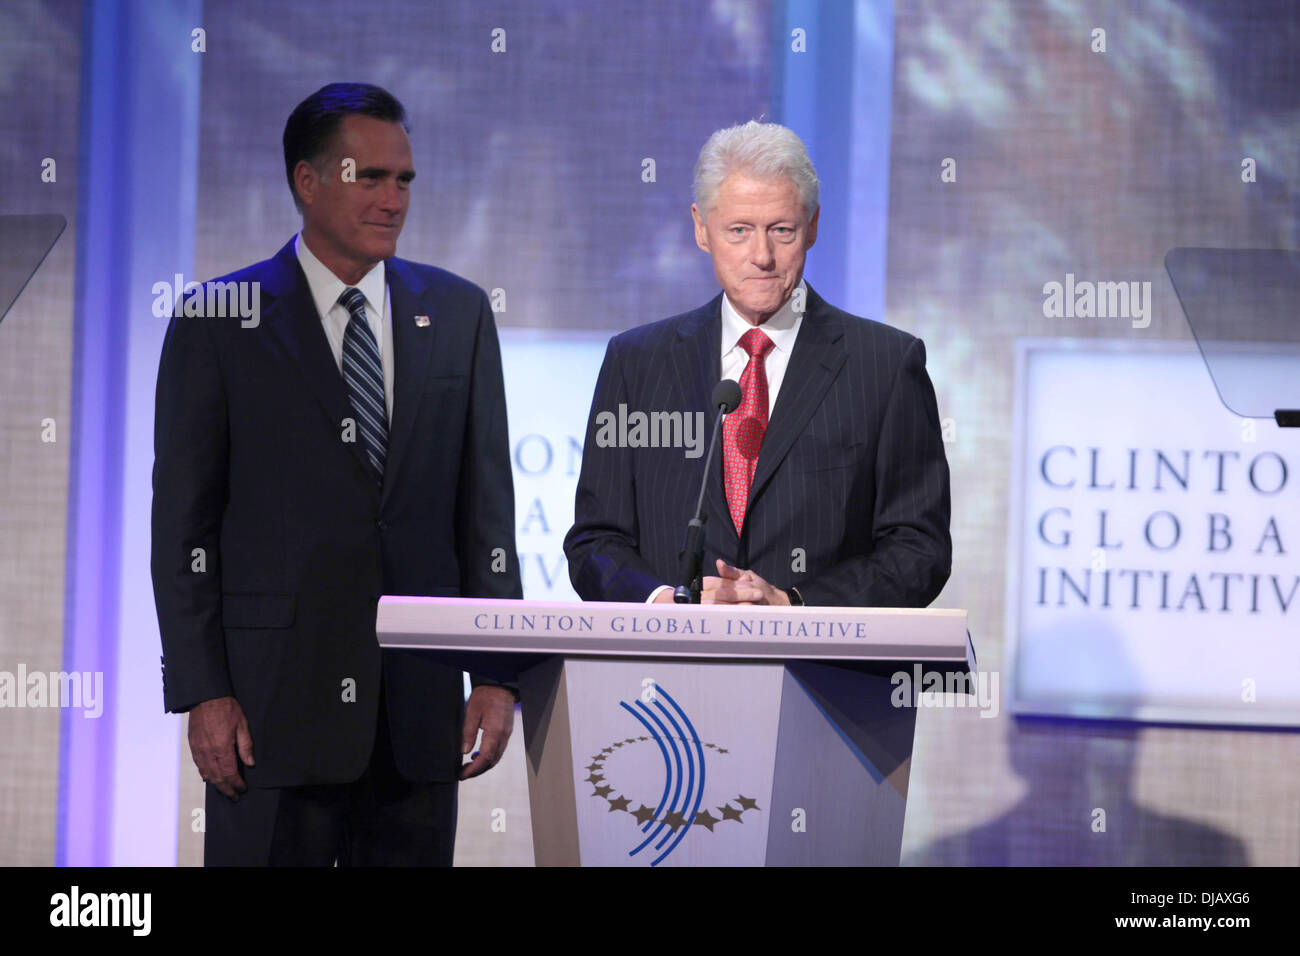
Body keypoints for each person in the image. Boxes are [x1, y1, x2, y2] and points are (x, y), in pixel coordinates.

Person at [151, 83, 521, 865]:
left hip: (416, 716)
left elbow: (485, 513)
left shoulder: (457, 315)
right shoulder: (220, 319)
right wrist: (203, 690)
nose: (393, 198)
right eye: (370, 176)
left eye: (405, 180)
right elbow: (182, 524)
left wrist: (495, 671)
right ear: (306, 181)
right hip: (268, 714)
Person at [564, 121, 950, 608]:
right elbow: (595, 541)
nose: (762, 256)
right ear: (702, 229)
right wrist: (662, 602)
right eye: (739, 231)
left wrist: (795, 604)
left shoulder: (887, 365)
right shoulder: (636, 363)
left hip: (819, 674)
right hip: (665, 671)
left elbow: (919, 550)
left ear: (812, 227)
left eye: (782, 230)